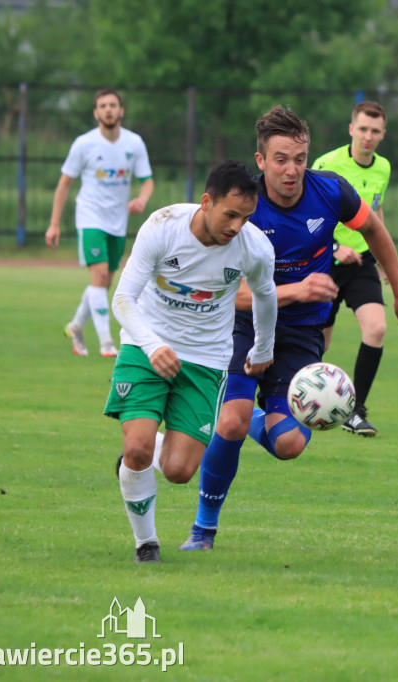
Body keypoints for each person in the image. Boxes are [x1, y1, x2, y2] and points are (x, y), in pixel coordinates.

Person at [181, 105, 398, 551]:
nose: (292, 170)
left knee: (288, 443)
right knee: (230, 424)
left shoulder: (331, 191)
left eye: (300, 158)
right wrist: (294, 290)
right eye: (280, 159)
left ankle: (251, 416)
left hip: (301, 333)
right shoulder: (242, 206)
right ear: (260, 161)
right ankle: (203, 530)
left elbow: (374, 231)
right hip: (243, 325)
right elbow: (223, 295)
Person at [107, 160, 277, 563]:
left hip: (206, 359)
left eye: (246, 217)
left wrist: (264, 348)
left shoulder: (254, 247)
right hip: (144, 346)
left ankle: (147, 455)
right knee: (136, 448)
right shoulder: (163, 226)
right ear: (206, 202)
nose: (237, 226)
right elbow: (123, 299)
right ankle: (145, 543)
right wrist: (151, 346)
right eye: (230, 214)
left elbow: (265, 296)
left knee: (181, 471)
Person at [45, 88, 155, 358]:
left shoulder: (134, 143)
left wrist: (142, 198)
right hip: (90, 217)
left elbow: (147, 180)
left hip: (117, 222)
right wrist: (54, 223)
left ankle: (75, 327)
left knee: (104, 282)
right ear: (96, 113)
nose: (108, 109)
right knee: (100, 277)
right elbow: (64, 183)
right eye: (103, 105)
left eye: (113, 105)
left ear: (121, 111)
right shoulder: (84, 144)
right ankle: (106, 343)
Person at [312, 100, 392, 437]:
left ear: (383, 134)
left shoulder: (383, 168)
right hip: (323, 259)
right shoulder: (327, 164)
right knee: (318, 345)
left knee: (376, 329)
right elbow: (308, 217)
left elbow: (376, 214)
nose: (368, 136)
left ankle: (355, 411)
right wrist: (333, 246)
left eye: (375, 131)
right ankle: (302, 402)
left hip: (361, 261)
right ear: (351, 129)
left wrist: (387, 262)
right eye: (362, 129)